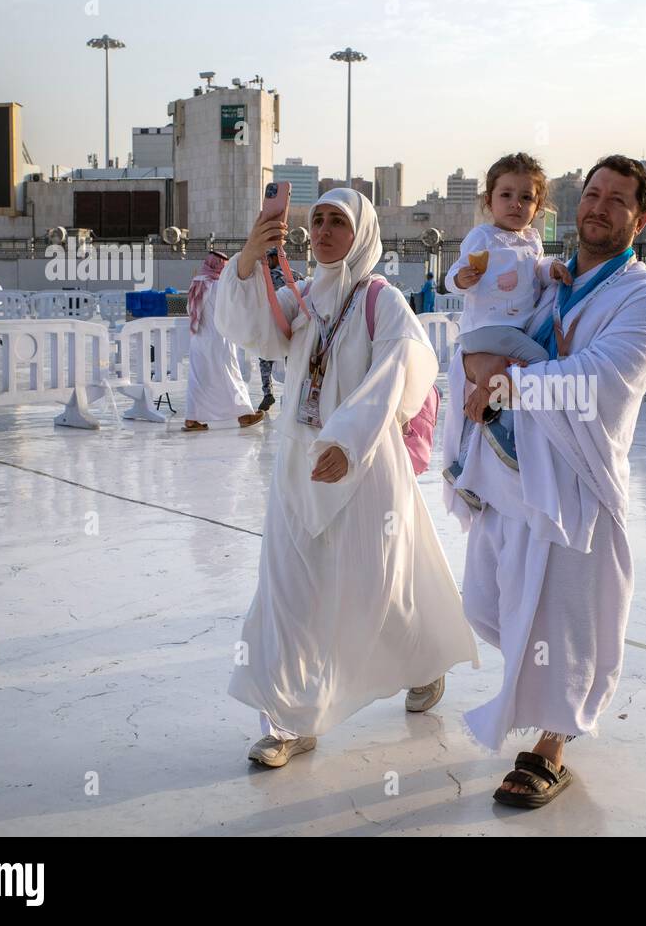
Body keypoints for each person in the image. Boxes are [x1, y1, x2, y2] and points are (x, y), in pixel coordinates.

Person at [214, 187, 479, 767]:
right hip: (299, 467)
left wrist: (350, 438)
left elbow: (403, 365)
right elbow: (250, 328)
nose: (327, 231)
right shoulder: (306, 295)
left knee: (380, 589)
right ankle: (287, 720)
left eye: (339, 221)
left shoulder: (380, 300)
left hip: (362, 469)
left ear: (361, 232)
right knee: (287, 593)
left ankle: (424, 659)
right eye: (319, 221)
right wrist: (247, 262)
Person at [451, 155, 646, 808]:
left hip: (578, 478)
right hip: (514, 468)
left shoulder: (642, 296)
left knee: (565, 614)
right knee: (508, 599)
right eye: (593, 193)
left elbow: (600, 378)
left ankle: (552, 742)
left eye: (618, 199)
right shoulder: (547, 279)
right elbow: (485, 317)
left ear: (640, 218)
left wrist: (507, 382)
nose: (600, 207)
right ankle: (537, 708)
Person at [441, 152, 567, 510]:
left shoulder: (531, 241)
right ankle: (504, 434)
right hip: (487, 329)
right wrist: (461, 278)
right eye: (506, 195)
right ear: (489, 201)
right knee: (540, 363)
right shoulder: (483, 236)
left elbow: (534, 271)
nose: (516, 204)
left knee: (510, 377)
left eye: (526, 197)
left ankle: (467, 460)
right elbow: (454, 275)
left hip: (509, 331)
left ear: (538, 205)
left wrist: (550, 269)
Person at [184, 251, 265, 432]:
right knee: (231, 374)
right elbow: (234, 307)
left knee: (198, 379)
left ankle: (192, 419)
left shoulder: (197, 283)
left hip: (199, 339)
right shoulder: (218, 285)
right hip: (219, 339)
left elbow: (189, 309)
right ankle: (245, 414)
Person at [255, 259, 302, 413]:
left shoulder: (264, 276)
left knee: (264, 359)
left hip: (269, 324)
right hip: (290, 324)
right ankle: (293, 392)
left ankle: (268, 393)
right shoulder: (294, 275)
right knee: (292, 361)